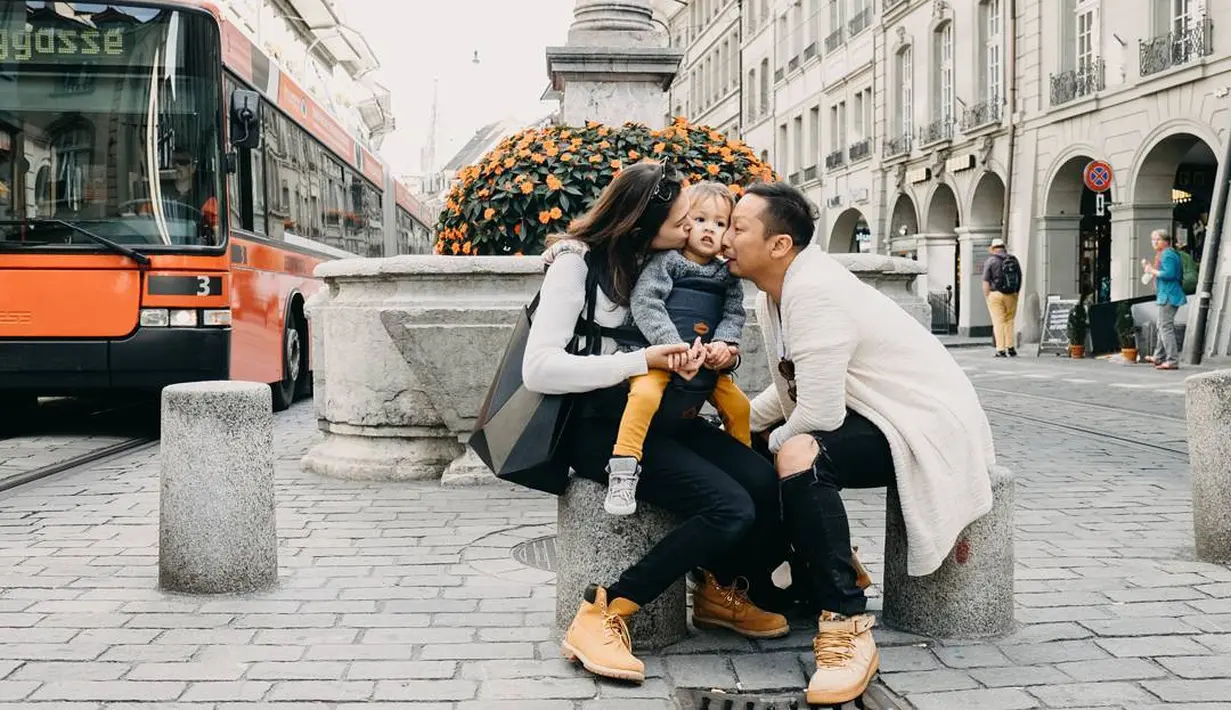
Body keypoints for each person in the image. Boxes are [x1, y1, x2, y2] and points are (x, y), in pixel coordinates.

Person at [722, 181, 997, 705]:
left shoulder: (814, 291)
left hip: (923, 425)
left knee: (799, 454)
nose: (725, 237)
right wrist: (735, 426)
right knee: (759, 443)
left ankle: (848, 623)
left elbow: (818, 414)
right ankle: (797, 572)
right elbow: (789, 390)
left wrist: (762, 445)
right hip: (876, 414)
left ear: (780, 245)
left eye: (739, 227)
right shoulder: (774, 293)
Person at [523, 161, 789, 685]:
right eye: (685, 219)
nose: (698, 229)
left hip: (667, 418)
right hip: (602, 427)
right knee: (728, 507)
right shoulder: (576, 266)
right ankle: (605, 611)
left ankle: (717, 592)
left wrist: (720, 355)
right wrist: (639, 362)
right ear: (645, 221)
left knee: (761, 478)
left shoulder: (662, 260)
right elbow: (539, 370)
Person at [604, 181, 751, 516]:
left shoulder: (727, 275)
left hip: (705, 362)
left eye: (719, 223)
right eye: (700, 220)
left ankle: (742, 458)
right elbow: (646, 303)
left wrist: (724, 345)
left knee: (739, 407)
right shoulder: (667, 262)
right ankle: (624, 466)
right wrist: (671, 345)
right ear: (685, 223)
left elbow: (733, 314)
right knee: (644, 397)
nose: (709, 230)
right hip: (658, 356)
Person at [1141, 228, 1187, 370]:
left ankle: (1172, 360)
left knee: (1165, 327)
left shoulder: (1167, 255)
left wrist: (1151, 270)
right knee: (1162, 326)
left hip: (1169, 295)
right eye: (1152, 239)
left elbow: (1169, 274)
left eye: (1157, 239)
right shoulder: (1165, 254)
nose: (1154, 242)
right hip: (1166, 294)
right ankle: (1158, 357)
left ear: (1165, 241)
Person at [981, 237, 1022, 357]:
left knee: (998, 321)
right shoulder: (1013, 260)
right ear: (1003, 247)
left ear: (993, 248)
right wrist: (1016, 292)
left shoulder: (991, 261)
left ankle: (1000, 349)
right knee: (1009, 321)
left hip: (995, 294)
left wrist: (987, 295)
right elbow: (1019, 277)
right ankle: (1011, 347)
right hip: (1011, 294)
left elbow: (985, 281)